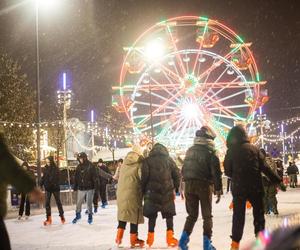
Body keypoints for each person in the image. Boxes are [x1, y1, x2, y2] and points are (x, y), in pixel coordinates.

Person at [224, 125, 282, 250]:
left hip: (239, 188)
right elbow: (265, 168)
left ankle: (235, 244)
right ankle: (260, 242)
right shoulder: (255, 149)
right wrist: (277, 180)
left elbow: (227, 171)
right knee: (259, 215)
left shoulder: (231, 151)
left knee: (238, 216)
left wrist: (237, 174)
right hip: (255, 186)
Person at [178, 126, 222, 250]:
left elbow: (184, 169)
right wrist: (218, 189)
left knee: (192, 215)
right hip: (203, 185)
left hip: (189, 185)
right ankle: (207, 245)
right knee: (207, 216)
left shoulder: (190, 150)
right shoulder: (211, 151)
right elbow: (216, 172)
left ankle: (182, 242)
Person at [0, 133, 43, 250]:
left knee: (26, 203)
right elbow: (9, 166)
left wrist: (29, 186)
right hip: (24, 190)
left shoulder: (30, 172)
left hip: (25, 190)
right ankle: (21, 214)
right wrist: (29, 187)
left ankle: (27, 214)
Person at [141, 143, 180, 247]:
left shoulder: (147, 161)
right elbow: (177, 174)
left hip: (151, 192)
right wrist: (175, 187)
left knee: (152, 216)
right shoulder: (169, 160)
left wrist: (143, 190)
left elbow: (144, 177)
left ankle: (150, 239)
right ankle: (170, 237)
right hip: (166, 191)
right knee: (169, 215)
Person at [115, 146, 145, 248]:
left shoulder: (124, 163)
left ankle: (118, 238)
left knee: (124, 214)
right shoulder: (139, 163)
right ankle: (133, 240)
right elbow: (142, 177)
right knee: (134, 216)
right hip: (133, 192)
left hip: (121, 193)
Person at [72, 152, 98, 224]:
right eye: (79, 159)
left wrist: (96, 187)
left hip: (90, 188)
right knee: (78, 203)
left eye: (81, 158)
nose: (80, 160)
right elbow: (76, 177)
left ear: (85, 158)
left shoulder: (91, 166)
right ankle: (78, 215)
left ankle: (90, 216)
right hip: (81, 188)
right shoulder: (78, 167)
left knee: (89, 203)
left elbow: (95, 177)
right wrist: (75, 186)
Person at [40, 156, 65, 225]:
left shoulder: (56, 169)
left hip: (55, 188)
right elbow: (43, 178)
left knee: (58, 202)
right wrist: (40, 185)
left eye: (49, 162)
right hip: (48, 188)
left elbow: (59, 178)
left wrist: (54, 183)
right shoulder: (45, 169)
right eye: (46, 162)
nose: (47, 163)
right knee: (47, 203)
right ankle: (48, 218)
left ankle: (62, 216)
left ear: (51, 161)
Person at [260, 149, 280, 215]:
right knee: (272, 196)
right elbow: (275, 172)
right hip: (272, 181)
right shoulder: (273, 161)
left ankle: (266, 210)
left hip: (264, 181)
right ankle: (274, 209)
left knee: (264, 196)